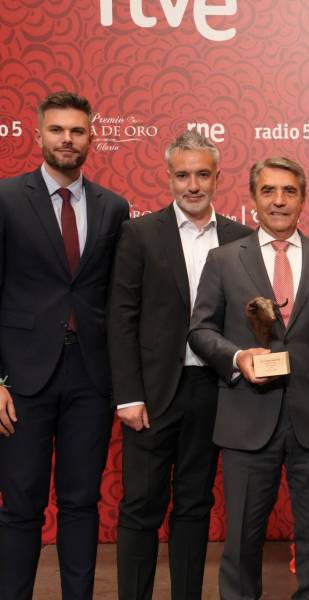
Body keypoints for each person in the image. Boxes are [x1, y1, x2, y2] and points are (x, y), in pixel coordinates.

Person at [188, 157, 309, 600]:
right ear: (254, 198)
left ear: (303, 199)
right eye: (268, 191)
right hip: (246, 415)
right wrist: (237, 357)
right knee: (242, 539)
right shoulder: (224, 259)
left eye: (289, 191)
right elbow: (200, 331)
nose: (279, 201)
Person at [107, 130, 252, 599]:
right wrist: (128, 395)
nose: (193, 185)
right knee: (141, 506)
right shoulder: (139, 234)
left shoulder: (240, 238)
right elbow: (121, 320)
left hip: (215, 391)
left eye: (202, 175)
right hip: (152, 395)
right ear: (169, 176)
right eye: (183, 175)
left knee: (195, 504)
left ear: (217, 178)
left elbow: (248, 322)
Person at [0, 91, 130, 600]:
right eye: (57, 130)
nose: (67, 139)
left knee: (81, 503)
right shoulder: (7, 199)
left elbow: (117, 300)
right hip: (21, 378)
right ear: (38, 135)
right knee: (21, 506)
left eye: (77, 131)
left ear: (91, 138)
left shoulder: (113, 208)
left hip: (91, 378)